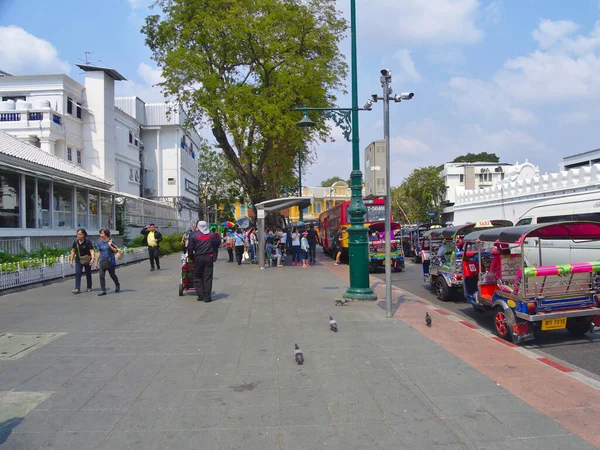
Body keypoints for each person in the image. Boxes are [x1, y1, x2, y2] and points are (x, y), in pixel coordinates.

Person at [188, 220, 219, 302]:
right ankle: (207, 297)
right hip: (209, 257)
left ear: (198, 226)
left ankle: (200, 295)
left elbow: (190, 248)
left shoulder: (193, 235)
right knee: (208, 277)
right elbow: (216, 246)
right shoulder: (212, 235)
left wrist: (191, 257)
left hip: (198, 258)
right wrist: (214, 257)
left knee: (197, 276)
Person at [95, 228, 120, 296]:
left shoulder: (112, 241)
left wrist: (109, 245)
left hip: (110, 261)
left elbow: (116, 251)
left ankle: (117, 285)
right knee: (101, 276)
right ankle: (103, 290)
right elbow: (99, 252)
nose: (100, 235)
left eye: (102, 233)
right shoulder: (100, 243)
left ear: (106, 234)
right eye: (100, 233)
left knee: (112, 275)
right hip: (103, 261)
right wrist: (96, 262)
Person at [69, 228, 94, 294]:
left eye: (80, 234)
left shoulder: (87, 242)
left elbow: (91, 250)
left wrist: (92, 258)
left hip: (87, 259)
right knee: (78, 273)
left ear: (84, 235)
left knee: (88, 273)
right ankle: (77, 288)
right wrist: (71, 260)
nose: (78, 236)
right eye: (78, 234)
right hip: (79, 259)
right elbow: (73, 251)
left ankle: (89, 287)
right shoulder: (75, 242)